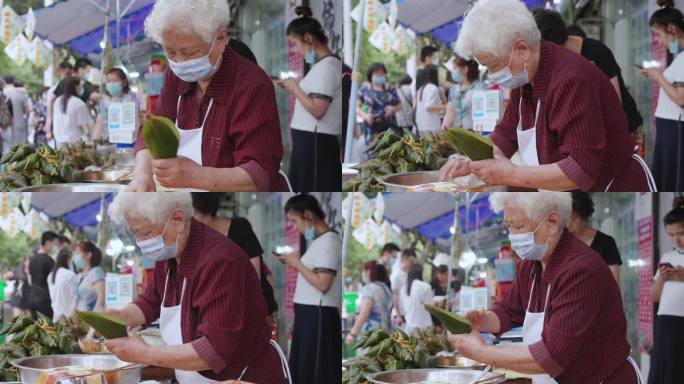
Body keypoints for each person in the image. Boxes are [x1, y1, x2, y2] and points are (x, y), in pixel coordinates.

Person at [439, 0, 655, 192]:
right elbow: (506, 134)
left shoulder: (572, 80)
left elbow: (580, 169)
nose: (494, 76)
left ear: (522, 49)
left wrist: (509, 174)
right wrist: (472, 162)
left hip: (613, 187)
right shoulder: (525, 78)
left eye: (494, 65)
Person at [449, 192, 641, 383]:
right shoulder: (531, 263)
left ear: (552, 222)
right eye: (508, 226)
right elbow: (510, 310)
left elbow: (552, 356)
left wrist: (482, 352)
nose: (512, 236)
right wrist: (484, 320)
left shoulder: (581, 271)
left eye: (518, 227)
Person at [104, 193, 291, 383]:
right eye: (135, 233)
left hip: (244, 376)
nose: (141, 242)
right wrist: (120, 317)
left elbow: (212, 351)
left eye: (145, 233)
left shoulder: (220, 262)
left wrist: (144, 354)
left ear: (177, 220)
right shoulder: (169, 252)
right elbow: (150, 303)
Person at [127, 0, 285, 192]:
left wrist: (196, 176)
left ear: (220, 39)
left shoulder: (252, 85)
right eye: (170, 52)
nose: (179, 61)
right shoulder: (174, 74)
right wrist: (142, 174)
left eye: (189, 52)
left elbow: (259, 172)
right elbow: (154, 127)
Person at [533, 8, 643, 134]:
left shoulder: (597, 53)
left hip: (625, 127)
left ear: (553, 44)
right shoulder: (556, 60)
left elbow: (614, 100)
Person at [276, 194, 341, 384]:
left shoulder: (329, 241)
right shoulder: (319, 240)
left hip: (317, 315)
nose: (295, 228)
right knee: (305, 366)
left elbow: (323, 283)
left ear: (308, 215)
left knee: (315, 370)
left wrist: (296, 263)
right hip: (309, 314)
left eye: (295, 221)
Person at [276, 6, 342, 192]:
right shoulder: (322, 66)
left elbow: (318, 109)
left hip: (315, 143)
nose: (296, 51)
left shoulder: (328, 67)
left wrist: (294, 88)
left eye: (295, 44)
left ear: (308, 39)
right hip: (309, 142)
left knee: (311, 185)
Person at [191, 192, 279, 323]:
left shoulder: (240, 228)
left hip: (256, 309)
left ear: (206, 209)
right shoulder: (198, 239)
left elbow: (254, 275)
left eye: (193, 212)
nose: (189, 219)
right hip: (225, 311)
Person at [641, 0, 684, 191]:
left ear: (672, 29)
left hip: (675, 128)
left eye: (659, 35)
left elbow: (681, 98)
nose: (659, 40)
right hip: (670, 127)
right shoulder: (680, 57)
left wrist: (658, 77)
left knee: (671, 177)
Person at [648, 196, 684, 384]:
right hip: (665, 322)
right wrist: (662, 277)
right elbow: (654, 296)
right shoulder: (667, 256)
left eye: (681, 233)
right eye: (671, 235)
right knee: (664, 371)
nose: (676, 240)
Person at [568, 192, 623, 282]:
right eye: (566, 220)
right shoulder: (564, 243)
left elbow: (614, 282)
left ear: (584, 216)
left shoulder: (606, 242)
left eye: (573, 219)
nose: (569, 224)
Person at [345, 261, 392, 347]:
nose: (364, 273)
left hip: (371, 334)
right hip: (386, 334)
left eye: (365, 270)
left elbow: (364, 313)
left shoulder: (370, 288)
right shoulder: (386, 289)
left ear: (369, 272)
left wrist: (352, 334)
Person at [94, 68, 142, 142]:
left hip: (129, 139)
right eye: (109, 81)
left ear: (124, 82)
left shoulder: (131, 99)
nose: (112, 84)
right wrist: (95, 140)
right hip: (110, 141)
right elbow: (99, 122)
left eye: (115, 81)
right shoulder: (105, 102)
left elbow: (136, 120)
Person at [356, 63, 401, 142]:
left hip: (390, 127)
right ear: (371, 75)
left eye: (382, 73)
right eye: (377, 73)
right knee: (374, 151)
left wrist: (393, 109)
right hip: (371, 126)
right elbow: (356, 107)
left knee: (391, 151)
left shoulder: (391, 88)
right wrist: (365, 115)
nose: (380, 75)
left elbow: (400, 105)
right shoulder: (364, 89)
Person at [442, 56, 487, 130]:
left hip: (475, 134)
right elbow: (450, 112)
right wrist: (444, 130)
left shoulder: (480, 88)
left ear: (465, 69)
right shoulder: (454, 90)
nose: (453, 72)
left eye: (455, 68)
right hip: (457, 135)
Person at [28, 231, 59, 320]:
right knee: (47, 330)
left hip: (32, 298)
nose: (54, 247)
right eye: (54, 244)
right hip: (44, 300)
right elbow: (55, 281)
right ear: (47, 243)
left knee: (36, 330)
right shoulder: (50, 261)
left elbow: (30, 281)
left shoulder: (32, 259)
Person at [52, 76, 91, 147]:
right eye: (80, 86)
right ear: (76, 87)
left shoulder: (57, 101)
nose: (81, 88)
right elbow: (82, 124)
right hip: (74, 143)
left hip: (59, 141)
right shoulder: (79, 103)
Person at [399, 265, 434, 333]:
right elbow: (430, 306)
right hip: (424, 328)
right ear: (420, 274)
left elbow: (402, 308)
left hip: (409, 327)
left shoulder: (403, 289)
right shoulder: (426, 287)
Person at [45, 61, 74, 141]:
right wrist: (49, 131)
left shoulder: (74, 90)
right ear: (59, 72)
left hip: (72, 131)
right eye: (66, 74)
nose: (68, 77)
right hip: (58, 131)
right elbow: (49, 113)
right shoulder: (52, 91)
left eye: (70, 74)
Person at [74, 241, 106, 313]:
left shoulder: (96, 271)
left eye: (78, 253)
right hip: (79, 320)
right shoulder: (79, 276)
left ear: (88, 255)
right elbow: (74, 301)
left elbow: (101, 297)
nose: (75, 257)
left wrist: (93, 319)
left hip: (90, 320)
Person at [416, 65, 446, 136]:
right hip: (432, 126)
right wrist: (446, 107)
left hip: (422, 126)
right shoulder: (433, 88)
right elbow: (429, 107)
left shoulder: (422, 88)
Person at [3, 74, 31, 147]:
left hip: (4, 126)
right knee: (20, 149)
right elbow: (27, 110)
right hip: (20, 125)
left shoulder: (2, 92)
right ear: (13, 81)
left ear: (4, 82)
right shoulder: (21, 92)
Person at [47, 250, 77, 322]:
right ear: (68, 259)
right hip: (69, 316)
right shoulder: (70, 275)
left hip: (56, 316)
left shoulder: (50, 276)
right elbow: (75, 298)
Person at [390, 249, 417, 327]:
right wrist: (398, 316)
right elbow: (394, 296)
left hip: (409, 313)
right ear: (405, 258)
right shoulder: (396, 275)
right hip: (399, 315)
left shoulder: (411, 273)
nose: (412, 263)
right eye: (411, 261)